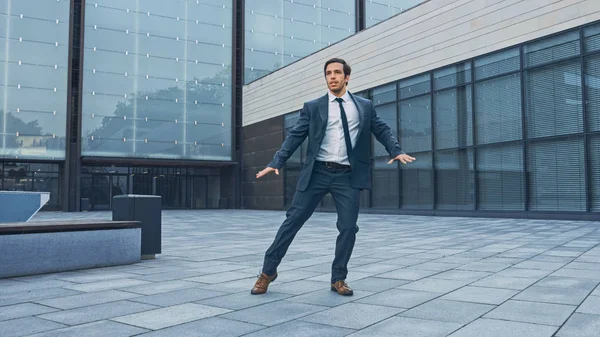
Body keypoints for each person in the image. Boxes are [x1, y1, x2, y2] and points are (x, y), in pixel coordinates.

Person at [251, 58, 415, 296]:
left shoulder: (364, 106)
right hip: (316, 173)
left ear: (347, 77)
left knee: (348, 227)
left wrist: (396, 150)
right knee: (291, 222)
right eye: (328, 73)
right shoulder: (313, 106)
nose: (332, 77)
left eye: (337, 73)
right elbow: (295, 136)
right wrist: (277, 161)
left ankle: (338, 278)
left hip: (347, 176)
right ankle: (267, 272)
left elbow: (381, 129)